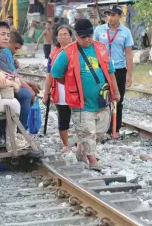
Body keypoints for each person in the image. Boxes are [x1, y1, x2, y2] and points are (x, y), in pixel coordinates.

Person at [51, 19, 121, 171]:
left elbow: (110, 71)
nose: (87, 39)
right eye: (83, 37)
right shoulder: (67, 53)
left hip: (102, 99)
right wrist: (71, 84)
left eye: (89, 35)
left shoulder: (100, 48)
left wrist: (115, 91)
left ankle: (81, 152)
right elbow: (55, 73)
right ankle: (92, 159)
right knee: (88, 131)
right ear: (76, 35)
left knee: (100, 131)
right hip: (80, 101)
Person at [0, 22, 39, 131]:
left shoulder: (0, 50)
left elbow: (12, 74)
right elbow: (10, 75)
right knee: (25, 95)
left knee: (24, 92)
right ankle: (20, 132)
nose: (6, 38)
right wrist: (28, 88)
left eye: (7, 35)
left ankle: (9, 131)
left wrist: (27, 85)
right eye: (2, 34)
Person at [94, 5, 134, 139]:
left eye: (113, 15)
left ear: (120, 16)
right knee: (101, 98)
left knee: (118, 99)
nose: (110, 17)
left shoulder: (125, 32)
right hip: (102, 69)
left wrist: (129, 74)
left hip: (119, 69)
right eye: (108, 15)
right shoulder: (99, 30)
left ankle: (114, 129)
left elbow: (128, 54)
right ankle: (101, 128)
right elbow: (93, 50)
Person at [43, 26, 74, 153]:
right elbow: (49, 74)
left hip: (76, 89)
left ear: (71, 36)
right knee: (63, 117)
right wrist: (46, 93)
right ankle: (66, 145)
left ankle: (82, 144)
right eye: (60, 34)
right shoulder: (54, 53)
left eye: (65, 34)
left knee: (81, 118)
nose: (62, 37)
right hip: (59, 90)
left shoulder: (77, 50)